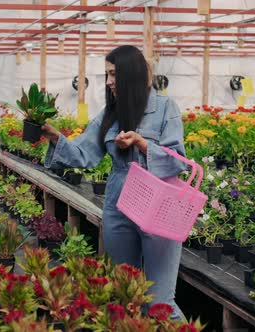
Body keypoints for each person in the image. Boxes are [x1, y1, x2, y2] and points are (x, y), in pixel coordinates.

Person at [41, 45, 186, 320]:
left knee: (160, 303)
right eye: (107, 74)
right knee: (124, 291)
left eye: (113, 74)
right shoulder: (109, 114)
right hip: (119, 205)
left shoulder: (166, 108)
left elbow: (178, 161)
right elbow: (84, 153)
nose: (108, 82)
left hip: (159, 205)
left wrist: (143, 145)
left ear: (131, 75)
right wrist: (54, 137)